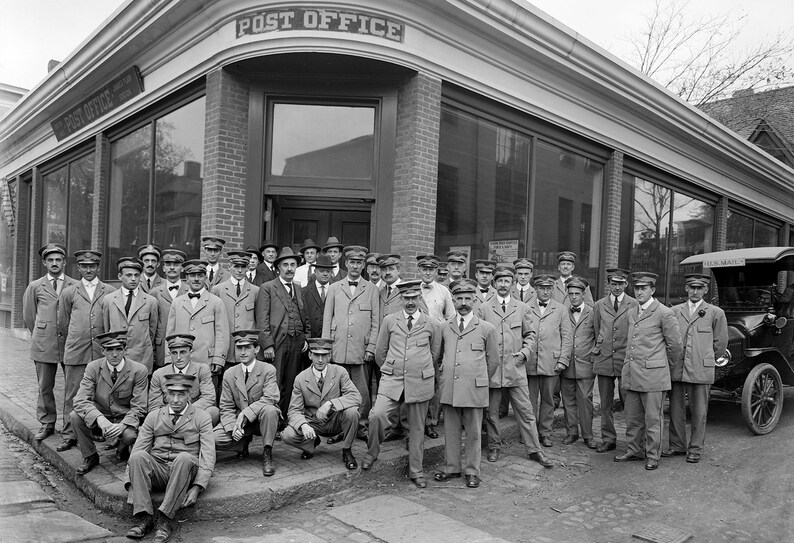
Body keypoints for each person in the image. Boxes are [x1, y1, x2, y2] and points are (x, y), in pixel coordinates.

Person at [363, 281, 443, 487]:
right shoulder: (390, 321)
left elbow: (434, 354)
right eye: (406, 298)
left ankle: (416, 471)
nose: (410, 302)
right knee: (377, 415)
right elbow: (380, 352)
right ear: (400, 299)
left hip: (419, 381)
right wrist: (393, 368)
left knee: (417, 428)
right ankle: (372, 452)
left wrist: (418, 368)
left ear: (420, 299)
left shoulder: (432, 324)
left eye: (414, 298)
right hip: (392, 379)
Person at [124, 373, 216, 543]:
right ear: (165, 395)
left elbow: (208, 454)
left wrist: (197, 487)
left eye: (181, 394)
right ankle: (145, 518)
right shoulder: (154, 416)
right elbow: (139, 447)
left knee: (184, 458)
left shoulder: (202, 417)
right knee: (138, 456)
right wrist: (130, 483)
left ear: (189, 395)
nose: (175, 399)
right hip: (159, 470)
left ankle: (165, 520)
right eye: (171, 394)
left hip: (184, 471)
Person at [476, 267, 553, 467]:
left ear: (513, 284)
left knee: (526, 411)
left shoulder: (522, 308)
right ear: (494, 283)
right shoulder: (484, 308)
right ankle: (494, 446)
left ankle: (535, 449)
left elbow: (531, 336)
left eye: (507, 281)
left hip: (516, 369)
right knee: (491, 413)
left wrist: (526, 353)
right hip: (493, 371)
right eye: (499, 281)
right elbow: (479, 339)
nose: (503, 285)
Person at [434, 279, 499, 489]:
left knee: (473, 432)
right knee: (451, 431)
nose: (463, 302)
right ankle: (451, 467)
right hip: (450, 389)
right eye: (459, 298)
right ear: (453, 300)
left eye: (467, 299)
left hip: (474, 389)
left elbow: (493, 360)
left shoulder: (486, 328)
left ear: (475, 300)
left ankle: (473, 471)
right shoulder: (444, 327)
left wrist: (478, 379)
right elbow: (438, 356)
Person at [615, 272, 683, 471]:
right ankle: (634, 450)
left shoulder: (664, 312)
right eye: (636, 288)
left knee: (653, 419)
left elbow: (676, 346)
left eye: (643, 288)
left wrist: (662, 367)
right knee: (632, 417)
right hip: (633, 374)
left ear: (652, 290)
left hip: (654, 376)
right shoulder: (632, 312)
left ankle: (653, 454)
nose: (639, 292)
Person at [666, 273, 728, 463]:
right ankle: (677, 445)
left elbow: (720, 343)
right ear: (686, 289)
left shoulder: (715, 312)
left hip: (701, 368)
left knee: (699, 411)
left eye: (699, 288)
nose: (695, 291)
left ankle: (695, 448)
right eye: (691, 288)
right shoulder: (675, 311)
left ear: (706, 291)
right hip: (677, 367)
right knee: (675, 409)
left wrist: (707, 359)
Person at [55, 249, 113, 452]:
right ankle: (69, 434)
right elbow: (62, 324)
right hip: (76, 351)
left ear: (98, 267)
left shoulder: (108, 291)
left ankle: (95, 429)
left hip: (99, 352)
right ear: (78, 267)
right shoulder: (69, 292)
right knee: (73, 394)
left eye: (92, 266)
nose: (89, 270)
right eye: (84, 266)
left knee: (99, 393)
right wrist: (70, 346)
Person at [322, 245, 380, 440]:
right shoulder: (334, 288)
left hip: (361, 350)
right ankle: (339, 426)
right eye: (352, 262)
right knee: (337, 389)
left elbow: (376, 321)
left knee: (362, 390)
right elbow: (326, 319)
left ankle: (361, 426)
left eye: (359, 262)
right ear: (345, 263)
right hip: (338, 347)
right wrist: (326, 347)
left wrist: (371, 347)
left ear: (363, 265)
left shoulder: (371, 289)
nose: (355, 266)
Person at [70, 331, 148, 474]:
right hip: (101, 418)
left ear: (125, 350)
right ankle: (90, 456)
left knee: (130, 435)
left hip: (124, 419)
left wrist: (124, 425)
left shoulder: (139, 370)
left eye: (119, 349)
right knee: (75, 416)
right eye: (109, 349)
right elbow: (80, 399)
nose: (114, 354)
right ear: (102, 351)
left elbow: (139, 406)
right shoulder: (93, 367)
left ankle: (123, 446)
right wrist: (99, 419)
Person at [23, 243, 79, 441]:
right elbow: (29, 316)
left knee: (73, 387)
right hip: (44, 343)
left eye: (58, 260)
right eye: (51, 260)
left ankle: (71, 428)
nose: (55, 263)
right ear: (45, 263)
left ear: (64, 262)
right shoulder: (35, 286)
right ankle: (47, 423)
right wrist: (42, 332)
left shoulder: (75, 285)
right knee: (45, 385)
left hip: (70, 343)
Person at [282, 337, 361, 468]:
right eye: (316, 355)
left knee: (352, 412)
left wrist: (330, 403)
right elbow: (294, 410)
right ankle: (311, 443)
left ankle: (347, 450)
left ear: (329, 356)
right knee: (287, 435)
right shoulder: (301, 378)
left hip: (335, 420)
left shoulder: (339, 372)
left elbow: (355, 396)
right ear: (309, 355)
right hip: (313, 423)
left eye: (324, 355)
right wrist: (303, 425)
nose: (320, 360)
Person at [214, 329, 280, 476]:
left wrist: (246, 413)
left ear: (256, 349)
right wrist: (233, 428)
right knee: (215, 439)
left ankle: (267, 452)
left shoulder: (267, 369)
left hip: (261, 420)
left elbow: (271, 397)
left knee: (271, 410)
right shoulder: (230, 373)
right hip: (240, 422)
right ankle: (242, 443)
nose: (242, 352)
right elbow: (226, 406)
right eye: (239, 348)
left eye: (247, 347)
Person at [256, 247, 310, 420]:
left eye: (293, 265)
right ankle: (273, 420)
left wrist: (306, 338)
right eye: (285, 264)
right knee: (275, 382)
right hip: (277, 342)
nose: (289, 268)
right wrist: (267, 345)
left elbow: (305, 316)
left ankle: (287, 418)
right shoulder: (268, 288)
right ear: (278, 267)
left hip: (297, 342)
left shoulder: (298, 288)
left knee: (292, 382)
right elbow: (262, 319)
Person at [591, 267, 638, 453]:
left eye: (620, 284)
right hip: (604, 358)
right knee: (606, 403)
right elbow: (596, 330)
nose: (617, 287)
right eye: (613, 284)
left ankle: (632, 441)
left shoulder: (634, 304)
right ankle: (608, 438)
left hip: (626, 358)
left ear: (626, 284)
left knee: (629, 402)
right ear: (608, 284)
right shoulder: (599, 305)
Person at [167, 259, 230, 396]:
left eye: (200, 275)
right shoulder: (177, 303)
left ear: (205, 277)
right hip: (181, 361)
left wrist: (218, 358)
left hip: (207, 361)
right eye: (192, 275)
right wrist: (168, 359)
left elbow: (222, 333)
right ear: (186, 278)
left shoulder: (216, 302)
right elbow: (170, 334)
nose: (196, 279)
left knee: (208, 398)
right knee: (182, 396)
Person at [526, 274, 572, 447]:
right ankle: (529, 433)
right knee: (528, 401)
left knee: (548, 400)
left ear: (552, 289)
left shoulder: (561, 309)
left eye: (548, 288)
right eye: (541, 288)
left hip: (551, 363)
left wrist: (563, 360)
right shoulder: (525, 307)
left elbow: (567, 337)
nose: (545, 292)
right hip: (530, 362)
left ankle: (545, 433)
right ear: (535, 289)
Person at [415, 254, 455, 438]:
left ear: (437, 271)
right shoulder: (412, 289)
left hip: (437, 342)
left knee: (435, 382)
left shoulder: (444, 291)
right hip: (417, 341)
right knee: (416, 380)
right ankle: (413, 422)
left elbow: (451, 318)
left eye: (431, 269)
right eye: (424, 269)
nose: (428, 272)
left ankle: (430, 422)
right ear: (419, 270)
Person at [102, 257, 159, 374]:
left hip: (141, 357)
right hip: (116, 356)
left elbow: (152, 331)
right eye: (128, 275)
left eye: (137, 275)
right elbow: (106, 328)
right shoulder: (109, 300)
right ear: (119, 276)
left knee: (140, 390)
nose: (133, 279)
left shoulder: (150, 301)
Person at [149, 334, 219, 426]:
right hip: (169, 419)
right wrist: (171, 416)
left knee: (213, 411)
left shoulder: (202, 369)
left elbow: (209, 397)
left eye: (182, 352)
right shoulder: (159, 374)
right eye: (174, 353)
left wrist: (185, 413)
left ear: (191, 352)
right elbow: (155, 405)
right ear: (169, 354)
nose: (178, 357)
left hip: (193, 417)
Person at [560, 277, 597, 449]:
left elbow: (599, 336)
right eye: (571, 294)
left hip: (586, 365)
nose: (574, 297)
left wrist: (593, 356)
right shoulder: (562, 312)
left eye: (577, 294)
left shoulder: (593, 312)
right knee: (568, 401)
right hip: (567, 365)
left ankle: (588, 435)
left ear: (583, 295)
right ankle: (571, 432)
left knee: (585, 400)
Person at [212, 250, 259, 367]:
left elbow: (259, 320)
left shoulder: (255, 291)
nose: (239, 270)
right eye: (236, 266)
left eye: (243, 267)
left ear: (248, 268)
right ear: (229, 267)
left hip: (247, 349)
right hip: (226, 350)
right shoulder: (218, 290)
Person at [149, 249, 189, 367]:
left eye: (176, 265)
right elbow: (152, 326)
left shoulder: (189, 291)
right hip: (162, 348)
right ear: (163, 268)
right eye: (168, 264)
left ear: (182, 268)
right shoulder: (154, 293)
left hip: (185, 346)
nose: (172, 268)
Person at [302, 253, 334, 338]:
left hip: (330, 339)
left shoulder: (336, 290)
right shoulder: (304, 292)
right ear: (315, 272)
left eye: (328, 271)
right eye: (322, 271)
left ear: (331, 273)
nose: (325, 274)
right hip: (310, 339)